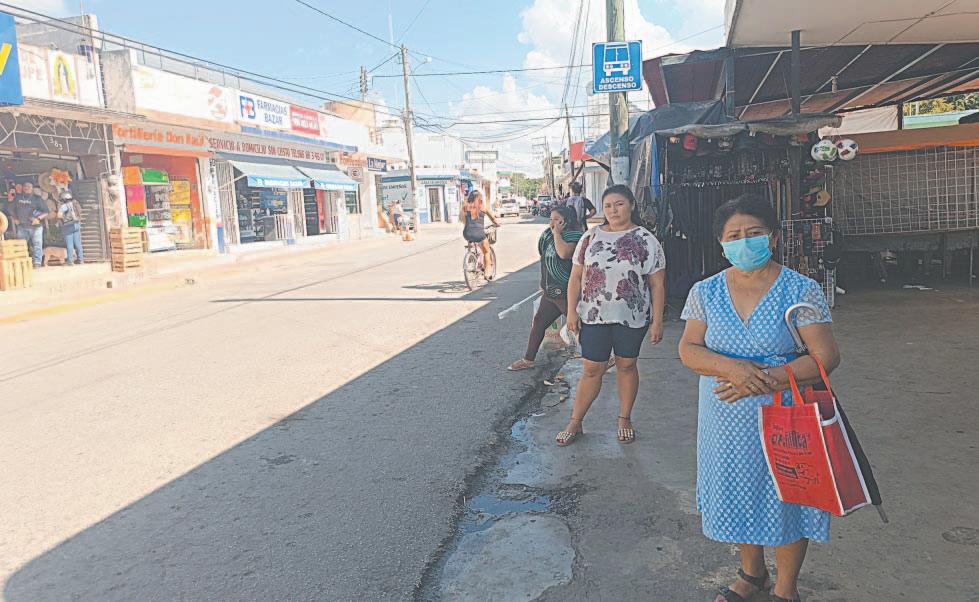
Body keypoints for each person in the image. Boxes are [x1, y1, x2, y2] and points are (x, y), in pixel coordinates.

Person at [677, 194, 841, 602]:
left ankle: (786, 589)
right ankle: (752, 575)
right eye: (734, 235)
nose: (744, 241)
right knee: (740, 489)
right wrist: (732, 369)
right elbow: (689, 349)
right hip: (725, 417)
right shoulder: (705, 292)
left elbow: (825, 357)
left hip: (786, 414)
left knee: (788, 494)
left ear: (774, 237)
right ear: (721, 243)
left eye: (753, 233)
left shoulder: (800, 289)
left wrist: (763, 379)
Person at [556, 184, 666, 446]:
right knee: (591, 369)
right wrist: (571, 312)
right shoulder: (590, 237)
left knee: (627, 366)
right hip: (594, 315)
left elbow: (657, 284)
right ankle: (575, 421)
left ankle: (624, 418)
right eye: (608, 206)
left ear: (631, 205)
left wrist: (657, 320)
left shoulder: (646, 239)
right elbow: (576, 277)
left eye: (619, 204)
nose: (613, 210)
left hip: (632, 316)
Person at [508, 205, 584, 371]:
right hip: (551, 291)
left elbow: (563, 253)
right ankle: (528, 359)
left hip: (565, 292)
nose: (552, 223)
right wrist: (543, 285)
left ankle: (602, 358)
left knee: (576, 326)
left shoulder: (575, 238)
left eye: (557, 220)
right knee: (539, 321)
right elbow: (545, 261)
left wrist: (557, 233)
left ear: (565, 221)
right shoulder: (549, 237)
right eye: (551, 219)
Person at [460, 190, 500, 279]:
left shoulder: (465, 207)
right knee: (486, 251)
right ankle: (487, 273)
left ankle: (471, 258)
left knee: (472, 241)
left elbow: (462, 219)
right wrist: (497, 224)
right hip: (479, 234)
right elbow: (493, 219)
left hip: (466, 233)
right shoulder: (483, 207)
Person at [12, 181, 48, 268]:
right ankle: (22, 263)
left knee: (37, 245)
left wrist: (38, 219)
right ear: (23, 187)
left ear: (32, 188)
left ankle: (37, 262)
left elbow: (46, 212)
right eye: (25, 186)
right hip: (22, 226)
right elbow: (12, 209)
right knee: (21, 246)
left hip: (36, 227)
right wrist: (15, 218)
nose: (27, 188)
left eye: (29, 186)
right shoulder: (18, 198)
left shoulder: (37, 199)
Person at [57, 191, 84, 265]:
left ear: (64, 199)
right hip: (76, 224)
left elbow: (59, 215)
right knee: (78, 243)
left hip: (68, 226)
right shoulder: (75, 203)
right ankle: (80, 260)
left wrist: (64, 218)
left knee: (70, 244)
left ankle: (70, 261)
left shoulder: (64, 206)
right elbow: (80, 211)